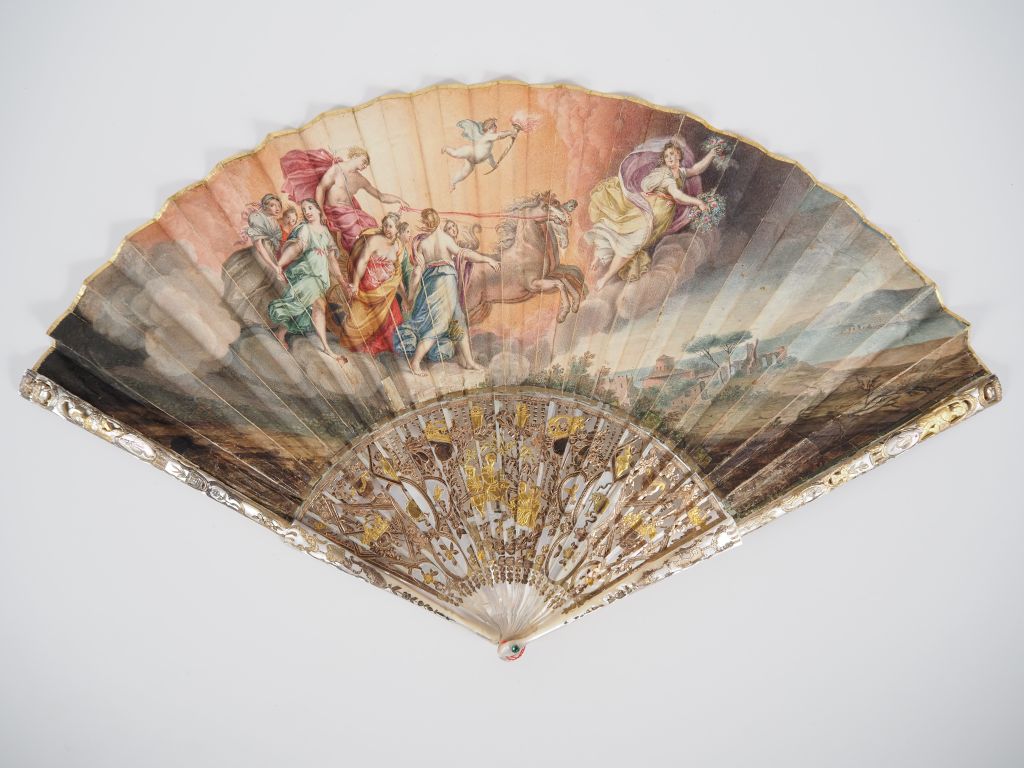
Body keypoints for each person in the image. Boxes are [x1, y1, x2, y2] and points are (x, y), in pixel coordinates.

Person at [586, 137, 718, 291]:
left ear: (679, 155)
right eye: (667, 156)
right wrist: (698, 202)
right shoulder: (665, 174)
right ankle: (604, 274)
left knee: (626, 237)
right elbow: (677, 195)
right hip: (648, 213)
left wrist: (712, 154)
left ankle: (601, 259)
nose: (670, 158)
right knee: (629, 241)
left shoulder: (680, 172)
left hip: (657, 218)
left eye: (672, 154)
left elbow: (696, 169)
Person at [393, 209, 500, 376]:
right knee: (439, 324)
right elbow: (465, 254)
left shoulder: (423, 244)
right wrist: (487, 259)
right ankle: (415, 362)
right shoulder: (445, 239)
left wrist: (411, 296)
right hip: (444, 285)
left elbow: (416, 273)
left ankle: (469, 361)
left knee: (458, 320)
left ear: (425, 223)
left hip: (436, 286)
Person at [279, 147, 409, 256]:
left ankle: (372, 261)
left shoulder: (360, 179)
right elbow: (320, 188)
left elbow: (381, 196)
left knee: (371, 224)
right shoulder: (336, 169)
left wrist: (399, 200)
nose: (364, 166)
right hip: (334, 211)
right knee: (357, 231)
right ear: (355, 156)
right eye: (364, 161)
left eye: (366, 165)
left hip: (350, 212)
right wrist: (321, 212)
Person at [268, 198, 347, 363]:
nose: (307, 212)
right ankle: (326, 348)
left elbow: (332, 259)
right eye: (304, 210)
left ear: (318, 209)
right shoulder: (305, 228)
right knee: (308, 306)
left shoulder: (326, 232)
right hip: (307, 274)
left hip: (321, 277)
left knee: (309, 307)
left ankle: (282, 334)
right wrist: (279, 265)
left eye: (310, 208)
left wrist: (342, 281)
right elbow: (296, 248)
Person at [335, 212, 404, 355]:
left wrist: (405, 297)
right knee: (355, 326)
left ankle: (382, 347)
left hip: (386, 290)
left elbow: (397, 273)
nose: (387, 229)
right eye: (385, 225)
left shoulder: (398, 246)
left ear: (397, 229)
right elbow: (362, 261)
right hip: (369, 288)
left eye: (391, 226)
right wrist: (355, 284)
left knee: (393, 321)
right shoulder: (374, 240)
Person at [442, 118, 519, 191]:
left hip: (473, 161)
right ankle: (446, 148)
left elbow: (489, 155)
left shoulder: (489, 145)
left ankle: (453, 182)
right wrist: (510, 132)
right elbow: (499, 136)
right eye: (494, 125)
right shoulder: (488, 136)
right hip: (470, 152)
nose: (496, 127)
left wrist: (493, 165)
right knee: (455, 154)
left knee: (464, 173)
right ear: (489, 128)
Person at [245, 194, 285, 279]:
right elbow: (259, 247)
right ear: (265, 206)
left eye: (278, 206)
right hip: (263, 255)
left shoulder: (274, 221)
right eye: (272, 205)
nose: (277, 209)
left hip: (274, 253)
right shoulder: (256, 218)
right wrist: (274, 267)